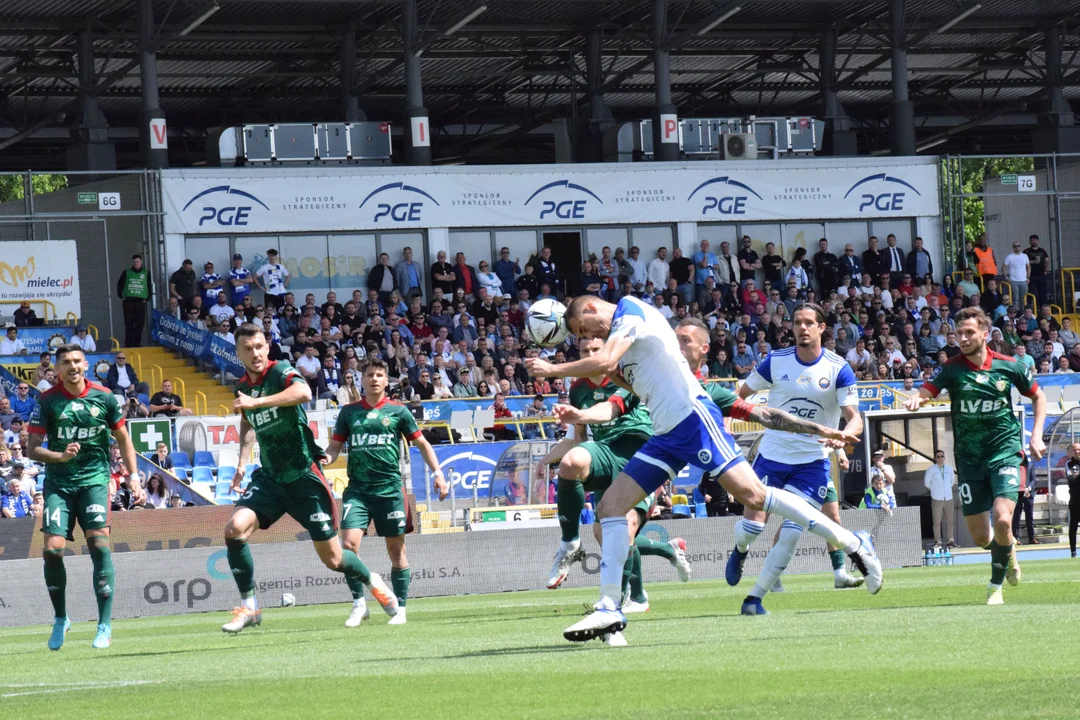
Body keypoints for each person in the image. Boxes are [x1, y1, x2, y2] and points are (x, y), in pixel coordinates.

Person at [526, 294, 881, 643]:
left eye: (584, 329)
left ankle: (852, 543)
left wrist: (552, 369)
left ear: (590, 309)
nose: (587, 337)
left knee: (753, 496)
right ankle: (609, 607)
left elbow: (604, 363)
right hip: (666, 433)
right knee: (609, 508)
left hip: (693, 421)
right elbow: (623, 381)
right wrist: (584, 412)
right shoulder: (625, 341)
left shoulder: (630, 311)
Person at [219, 324, 391, 635]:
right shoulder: (243, 387)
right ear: (238, 353)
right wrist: (242, 465)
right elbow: (248, 425)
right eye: (247, 349)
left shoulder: (281, 371)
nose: (255, 353)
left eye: (259, 346)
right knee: (234, 530)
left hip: (304, 477)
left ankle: (371, 580)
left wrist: (257, 402)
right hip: (271, 478)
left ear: (267, 346)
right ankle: (249, 605)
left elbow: (303, 392)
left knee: (335, 559)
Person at [536, 335, 692, 629]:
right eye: (585, 350)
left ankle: (625, 599)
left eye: (596, 349)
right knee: (604, 532)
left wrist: (579, 413)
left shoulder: (629, 372)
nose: (590, 353)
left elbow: (611, 408)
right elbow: (577, 439)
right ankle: (576, 546)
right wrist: (546, 461)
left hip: (640, 455)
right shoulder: (579, 388)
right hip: (606, 455)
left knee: (625, 531)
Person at [727, 304, 867, 615]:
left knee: (792, 532)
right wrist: (724, 425)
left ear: (821, 328)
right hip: (771, 457)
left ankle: (754, 599)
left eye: (808, 323)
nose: (802, 327)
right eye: (797, 322)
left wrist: (843, 436)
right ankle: (740, 550)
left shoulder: (838, 367)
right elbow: (740, 395)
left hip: (811, 463)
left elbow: (854, 418)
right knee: (751, 529)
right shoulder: (775, 361)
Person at [905, 306, 1046, 605]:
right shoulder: (952, 368)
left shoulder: (1010, 366)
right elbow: (928, 388)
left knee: (1003, 520)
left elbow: (1038, 395)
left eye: (970, 332)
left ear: (985, 333)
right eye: (959, 333)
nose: (963, 337)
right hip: (969, 460)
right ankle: (1008, 554)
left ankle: (995, 586)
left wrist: (1035, 435)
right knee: (982, 537)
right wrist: (918, 397)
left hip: (1005, 452)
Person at [27, 343, 143, 649]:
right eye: (66, 362)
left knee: (98, 543)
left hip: (94, 480)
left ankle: (104, 623)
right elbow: (32, 448)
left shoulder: (104, 396)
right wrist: (60, 456)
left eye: (78, 360)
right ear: (57, 369)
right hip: (59, 484)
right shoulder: (48, 400)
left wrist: (133, 478)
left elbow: (124, 438)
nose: (73, 366)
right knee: (52, 549)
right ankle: (61, 618)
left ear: (86, 365)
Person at [325, 358, 448, 627]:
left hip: (390, 490)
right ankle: (359, 604)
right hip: (357, 491)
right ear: (362, 379)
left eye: (380, 375)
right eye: (370, 374)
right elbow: (335, 448)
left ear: (386, 380)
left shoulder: (398, 411)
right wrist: (324, 459)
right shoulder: (348, 412)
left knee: (396, 552)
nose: (374, 379)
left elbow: (423, 444)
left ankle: (401, 608)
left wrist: (438, 473)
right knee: (348, 546)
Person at [116, 254, 151, 347]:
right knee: (129, 323)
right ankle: (128, 343)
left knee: (140, 323)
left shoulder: (146, 273)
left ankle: (137, 343)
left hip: (140, 302)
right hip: (128, 302)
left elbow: (149, 286)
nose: (136, 263)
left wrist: (147, 299)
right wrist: (121, 296)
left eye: (138, 262)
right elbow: (120, 284)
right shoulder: (126, 272)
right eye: (134, 262)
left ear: (141, 262)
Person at [924, 449, 957, 548]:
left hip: (948, 497)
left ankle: (950, 540)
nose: (940, 458)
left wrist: (945, 489)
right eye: (938, 456)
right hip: (937, 498)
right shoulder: (931, 469)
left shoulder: (949, 468)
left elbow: (952, 481)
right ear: (935, 458)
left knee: (950, 520)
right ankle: (937, 541)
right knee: (937, 521)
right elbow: (927, 483)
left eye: (942, 456)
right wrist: (935, 490)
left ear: (944, 457)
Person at [1002, 242, 1030, 310]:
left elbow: (1028, 267)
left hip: (1024, 280)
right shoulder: (1010, 256)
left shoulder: (1025, 256)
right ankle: (1016, 315)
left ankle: (1024, 313)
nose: (1017, 247)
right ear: (1013, 247)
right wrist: (1006, 278)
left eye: (1018, 246)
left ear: (1020, 247)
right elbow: (1003, 268)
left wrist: (1028, 277)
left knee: (1024, 299)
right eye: (1015, 246)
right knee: (1015, 299)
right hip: (1013, 281)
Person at [1024, 235, 1049, 306]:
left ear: (1038, 241)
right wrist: (1032, 261)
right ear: (1029, 242)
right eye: (1032, 240)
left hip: (1041, 275)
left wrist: (1046, 270)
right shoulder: (1027, 251)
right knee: (1030, 293)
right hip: (1031, 275)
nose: (1034, 242)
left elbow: (1047, 260)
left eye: (1035, 240)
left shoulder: (1042, 250)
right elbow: (1023, 262)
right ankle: (1029, 308)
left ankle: (1043, 308)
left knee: (1043, 292)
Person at [1065, 442, 1080, 558]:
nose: (1077, 452)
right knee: (1073, 527)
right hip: (1075, 499)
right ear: (1070, 452)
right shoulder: (1069, 464)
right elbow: (1071, 479)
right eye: (1075, 450)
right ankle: (1073, 552)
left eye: (1079, 449)